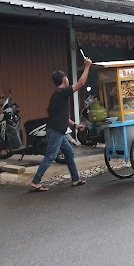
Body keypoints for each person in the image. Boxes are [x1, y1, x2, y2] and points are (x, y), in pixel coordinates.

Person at [30, 57, 92, 192]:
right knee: (51, 156)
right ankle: (36, 181)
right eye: (67, 78)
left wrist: (75, 125)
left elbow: (62, 117)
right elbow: (81, 83)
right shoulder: (62, 92)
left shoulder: (57, 95)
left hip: (59, 129)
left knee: (69, 152)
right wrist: (87, 66)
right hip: (56, 131)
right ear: (65, 80)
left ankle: (75, 179)